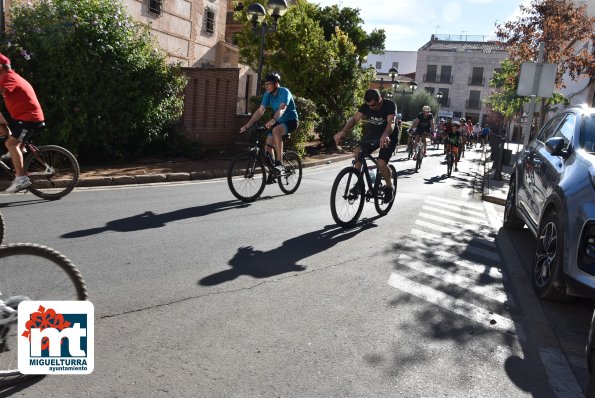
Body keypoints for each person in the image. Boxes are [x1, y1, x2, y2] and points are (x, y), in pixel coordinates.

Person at [333, 89, 397, 202]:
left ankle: (389, 186)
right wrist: (343, 132)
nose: (370, 108)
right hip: (373, 135)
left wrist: (385, 135)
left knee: (381, 163)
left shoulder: (389, 105)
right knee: (358, 151)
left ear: (380, 100)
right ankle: (359, 183)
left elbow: (391, 123)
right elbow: (354, 119)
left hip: (389, 136)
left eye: (373, 105)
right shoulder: (367, 106)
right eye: (368, 105)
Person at [0, 53, 45, 193]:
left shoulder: (9, 77)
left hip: (30, 119)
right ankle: (18, 148)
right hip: (20, 116)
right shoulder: (5, 77)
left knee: (11, 143)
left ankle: (22, 179)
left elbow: (2, 90)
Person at [240, 72, 299, 175]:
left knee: (276, 130)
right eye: (265, 84)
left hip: (291, 121)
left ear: (276, 84)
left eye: (268, 84)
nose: (266, 86)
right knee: (267, 148)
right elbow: (260, 111)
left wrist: (273, 119)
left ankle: (279, 163)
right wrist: (248, 124)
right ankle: (273, 172)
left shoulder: (284, 92)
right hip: (279, 121)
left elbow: (282, 108)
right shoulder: (268, 94)